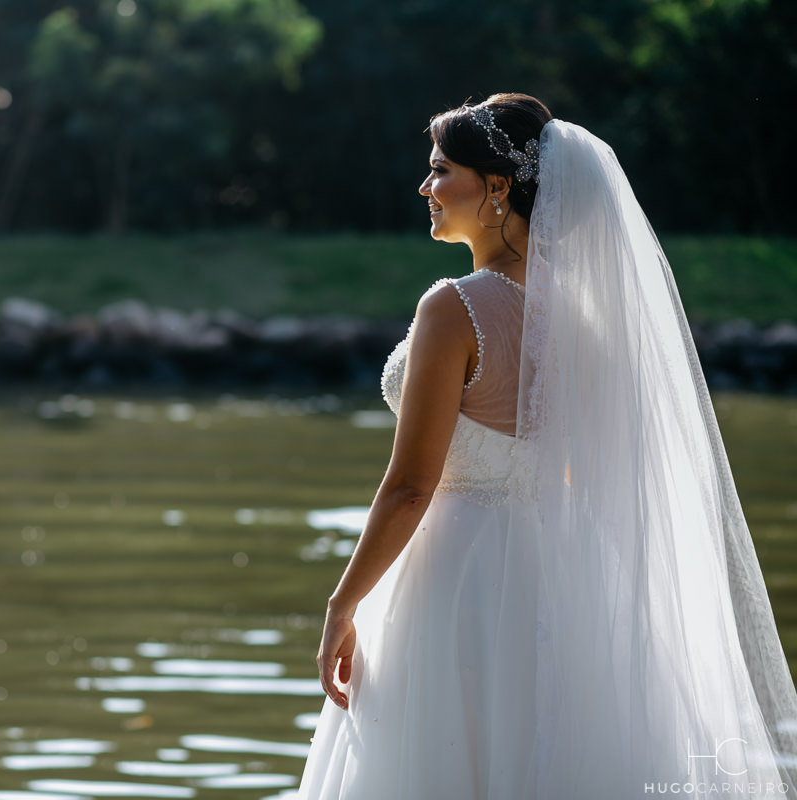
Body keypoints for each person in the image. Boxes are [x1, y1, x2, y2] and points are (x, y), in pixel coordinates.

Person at [296, 93, 797, 799]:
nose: (425, 187)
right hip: (556, 572)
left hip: (455, 577)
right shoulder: (583, 324)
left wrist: (341, 606)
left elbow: (411, 487)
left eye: (441, 171)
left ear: (497, 188)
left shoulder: (453, 308)